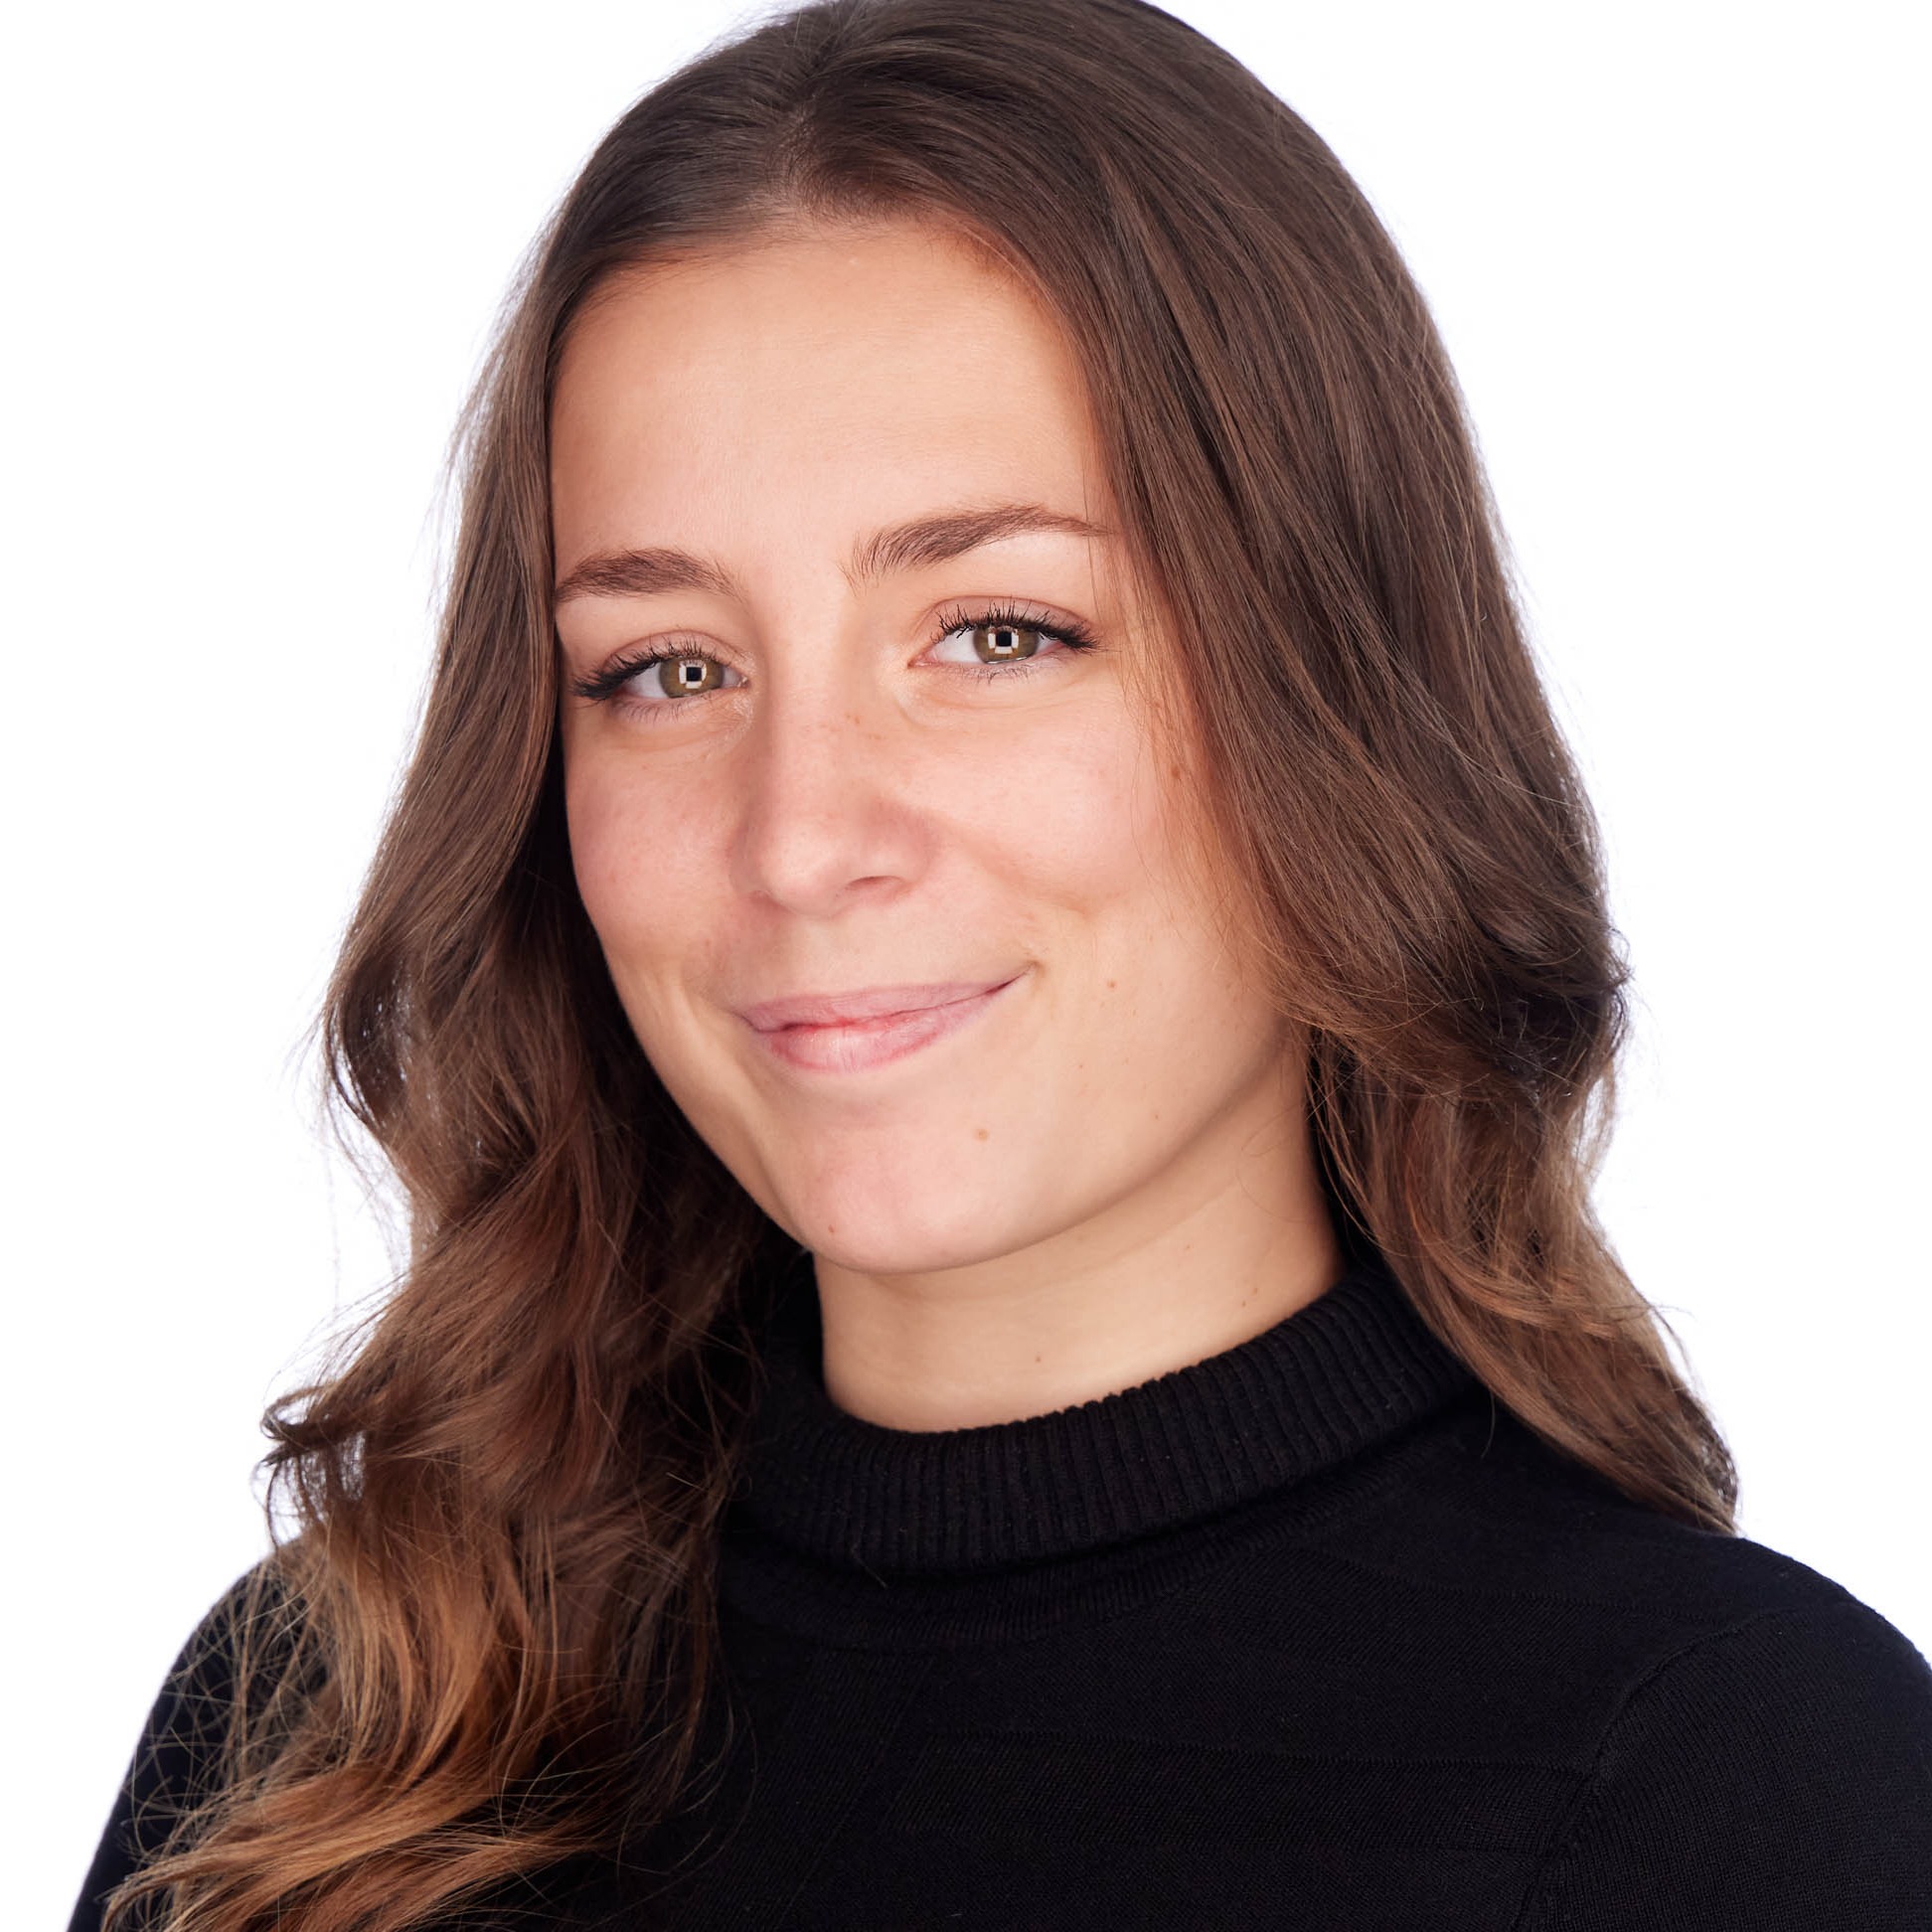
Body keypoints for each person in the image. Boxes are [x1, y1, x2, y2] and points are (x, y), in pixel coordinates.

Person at [70, 1, 1932, 1927]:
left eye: (999, 634)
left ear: (1334, 692)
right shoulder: (331, 1732)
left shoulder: (1728, 1785)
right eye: (669, 669)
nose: (800, 837)